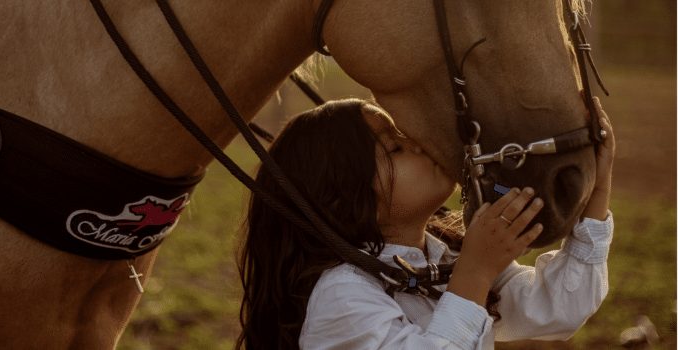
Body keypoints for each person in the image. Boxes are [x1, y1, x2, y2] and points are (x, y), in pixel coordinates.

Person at [236, 97, 615, 350]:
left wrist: (597, 190)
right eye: (396, 148)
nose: (419, 143)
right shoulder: (341, 297)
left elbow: (560, 308)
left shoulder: (443, 257)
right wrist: (475, 275)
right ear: (342, 199)